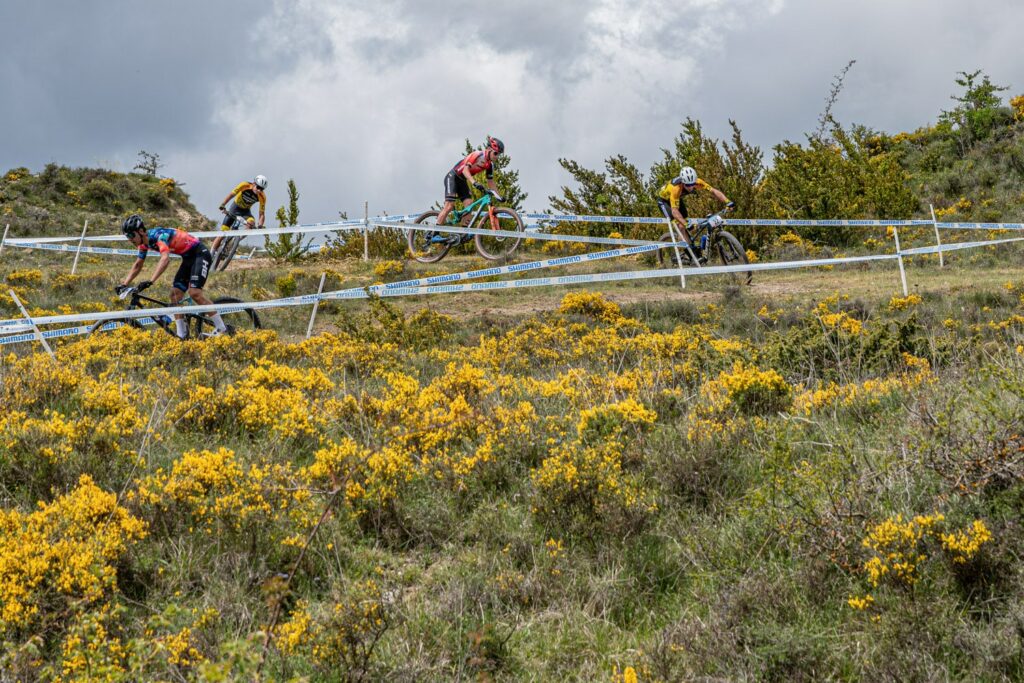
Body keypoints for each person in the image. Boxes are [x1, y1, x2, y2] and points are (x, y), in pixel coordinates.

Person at [117, 214, 231, 339]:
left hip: (200, 254)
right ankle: (182, 335)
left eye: (131, 235)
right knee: (175, 295)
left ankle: (222, 328)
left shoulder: (158, 236)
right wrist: (124, 284)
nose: (130, 239)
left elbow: (165, 259)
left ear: (141, 231)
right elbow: (138, 264)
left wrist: (151, 281)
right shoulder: (143, 244)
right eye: (127, 236)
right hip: (188, 258)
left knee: (195, 293)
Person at [656, 166, 733, 257]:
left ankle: (691, 249)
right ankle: (687, 253)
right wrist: (686, 224)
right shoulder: (676, 188)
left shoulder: (698, 182)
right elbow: (674, 211)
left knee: (685, 224)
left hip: (676, 200)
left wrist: (727, 201)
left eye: (692, 184)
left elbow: (713, 191)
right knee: (680, 226)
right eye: (688, 185)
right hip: (664, 201)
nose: (691, 187)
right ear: (683, 183)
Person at [436, 136, 505, 229]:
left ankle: (463, 232)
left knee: (469, 204)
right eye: (496, 153)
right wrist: (474, 183)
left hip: (462, 180)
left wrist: (498, 196)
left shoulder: (489, 165)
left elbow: (491, 182)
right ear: (488, 149)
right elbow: (465, 170)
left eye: (499, 154)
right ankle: (434, 233)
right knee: (449, 206)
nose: (497, 156)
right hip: (452, 177)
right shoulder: (477, 154)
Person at [212, 175, 267, 253]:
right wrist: (223, 204)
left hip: (245, 212)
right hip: (234, 209)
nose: (259, 190)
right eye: (258, 187)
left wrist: (260, 225)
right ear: (254, 183)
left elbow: (261, 213)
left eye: (262, 189)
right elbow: (231, 195)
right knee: (222, 233)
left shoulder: (262, 196)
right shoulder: (245, 185)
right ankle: (211, 253)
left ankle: (235, 241)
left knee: (251, 223)